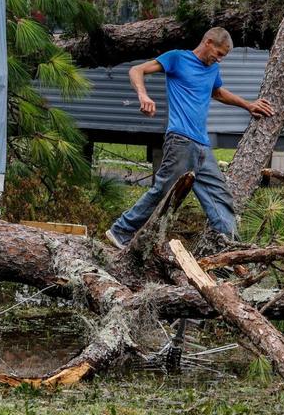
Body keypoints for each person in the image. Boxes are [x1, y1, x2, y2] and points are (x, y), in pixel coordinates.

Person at [104, 27, 274, 249]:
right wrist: (143, 95)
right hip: (181, 140)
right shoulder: (176, 58)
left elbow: (218, 92)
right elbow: (137, 70)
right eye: (219, 54)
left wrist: (248, 105)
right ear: (208, 42)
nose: (220, 60)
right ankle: (121, 230)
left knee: (220, 197)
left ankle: (229, 249)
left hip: (203, 145)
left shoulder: (212, 69)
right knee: (164, 190)